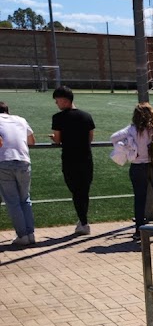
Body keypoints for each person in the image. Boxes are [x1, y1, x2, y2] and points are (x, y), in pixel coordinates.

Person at [110, 103, 153, 240]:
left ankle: (139, 231)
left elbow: (113, 138)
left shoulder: (131, 129)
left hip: (138, 166)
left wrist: (128, 146)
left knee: (140, 199)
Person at [51, 86, 95, 235]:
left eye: (57, 101)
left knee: (76, 191)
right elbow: (90, 137)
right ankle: (83, 220)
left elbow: (57, 140)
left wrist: (55, 138)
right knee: (84, 190)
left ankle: (83, 222)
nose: (57, 104)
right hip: (86, 158)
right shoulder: (87, 116)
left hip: (70, 159)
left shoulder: (58, 118)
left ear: (64, 101)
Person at [0, 102, 36, 248]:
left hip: (4, 162)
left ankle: (22, 235)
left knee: (13, 201)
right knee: (25, 198)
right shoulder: (21, 119)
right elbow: (32, 141)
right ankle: (30, 233)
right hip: (23, 160)